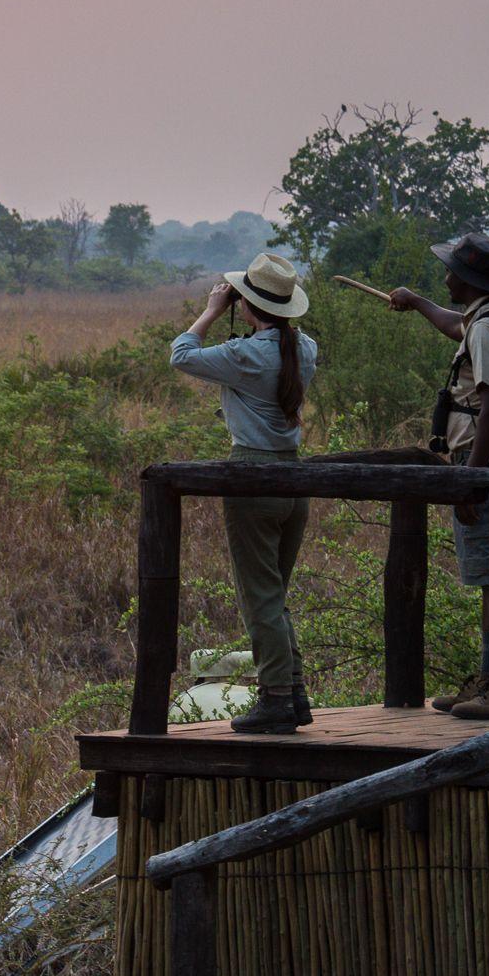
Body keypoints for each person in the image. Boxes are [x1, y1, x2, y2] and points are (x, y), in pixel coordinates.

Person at [168, 251, 320, 734]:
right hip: (294, 480)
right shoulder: (305, 348)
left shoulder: (248, 354)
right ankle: (293, 692)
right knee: (274, 593)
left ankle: (276, 697)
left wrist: (212, 310)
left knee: (259, 596)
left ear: (248, 304)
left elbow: (182, 355)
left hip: (252, 474)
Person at [385, 231, 489, 721]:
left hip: (487, 466)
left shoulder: (486, 330)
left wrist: (471, 478)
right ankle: (488, 678)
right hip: (485, 466)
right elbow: (453, 326)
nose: (444, 277)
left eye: (449, 271)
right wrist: (418, 302)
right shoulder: (486, 320)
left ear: (465, 279)